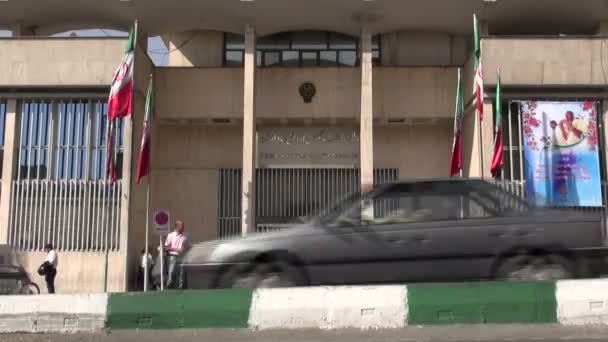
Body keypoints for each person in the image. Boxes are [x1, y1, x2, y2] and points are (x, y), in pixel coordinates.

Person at [164, 220, 189, 289]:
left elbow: (187, 247)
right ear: (177, 226)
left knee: (182, 273)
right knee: (171, 272)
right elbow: (166, 247)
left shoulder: (185, 237)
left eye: (183, 226)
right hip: (173, 256)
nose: (183, 227)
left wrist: (186, 250)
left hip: (182, 257)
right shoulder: (170, 235)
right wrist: (176, 249)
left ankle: (181, 288)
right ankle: (169, 287)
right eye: (182, 226)